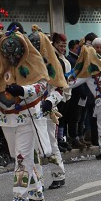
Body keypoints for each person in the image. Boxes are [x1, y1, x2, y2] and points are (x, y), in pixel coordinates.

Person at [0, 30, 54, 201]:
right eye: (7, 53)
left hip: (27, 117)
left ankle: (20, 200)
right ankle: (37, 193)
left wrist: (23, 89)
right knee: (19, 156)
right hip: (6, 117)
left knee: (21, 158)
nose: (12, 57)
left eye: (15, 53)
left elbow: (42, 84)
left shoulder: (34, 62)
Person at [27, 27, 70, 190]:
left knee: (51, 143)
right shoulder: (25, 62)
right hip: (28, 110)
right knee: (32, 148)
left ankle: (58, 174)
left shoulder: (52, 63)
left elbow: (60, 88)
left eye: (37, 44)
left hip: (46, 110)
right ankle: (37, 182)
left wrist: (50, 102)